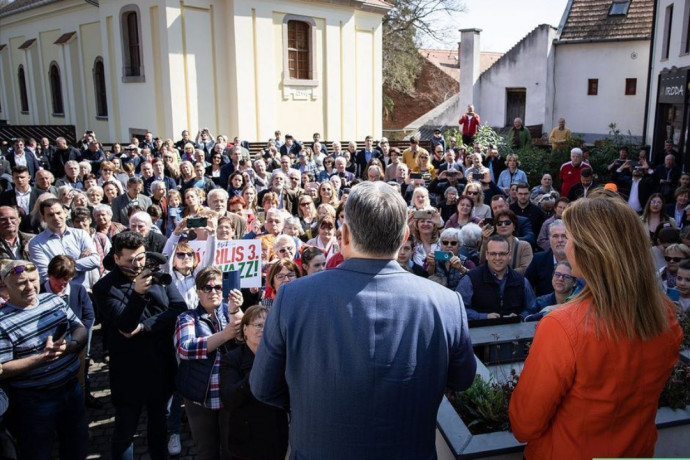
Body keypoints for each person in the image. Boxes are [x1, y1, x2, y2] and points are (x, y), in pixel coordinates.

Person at [250, 181, 476, 460]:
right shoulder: (445, 302)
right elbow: (462, 379)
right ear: (405, 235)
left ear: (344, 234)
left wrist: (312, 401)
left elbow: (263, 386)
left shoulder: (293, 297)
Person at [509, 190, 683, 460]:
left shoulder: (561, 327)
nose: (565, 247)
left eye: (570, 239)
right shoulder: (665, 315)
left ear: (590, 251)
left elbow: (524, 423)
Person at [93, 232, 187, 460]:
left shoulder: (157, 275)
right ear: (116, 259)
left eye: (141, 257)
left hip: (160, 364)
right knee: (125, 429)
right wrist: (137, 294)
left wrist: (146, 327)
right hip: (128, 371)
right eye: (130, 260)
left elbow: (178, 307)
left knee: (158, 425)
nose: (138, 264)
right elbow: (125, 325)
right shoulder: (104, 288)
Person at [0, 260, 89, 459]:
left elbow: (79, 327)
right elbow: (3, 369)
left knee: (77, 447)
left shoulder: (53, 300)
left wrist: (72, 345)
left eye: (32, 280)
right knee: (38, 452)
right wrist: (42, 358)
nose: (30, 287)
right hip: (34, 401)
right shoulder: (2, 322)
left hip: (71, 390)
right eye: (21, 283)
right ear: (6, 286)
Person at [174, 267, 244, 460]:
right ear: (198, 292)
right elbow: (185, 348)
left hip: (229, 393)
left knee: (232, 447)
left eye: (218, 287)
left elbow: (245, 339)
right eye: (207, 287)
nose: (214, 292)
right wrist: (224, 335)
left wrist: (236, 311)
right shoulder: (187, 317)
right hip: (200, 396)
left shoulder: (230, 310)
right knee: (207, 450)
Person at [220, 305, 289, 460]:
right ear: (245, 329)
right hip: (246, 439)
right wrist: (258, 369)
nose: (263, 330)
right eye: (258, 325)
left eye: (268, 325)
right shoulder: (232, 359)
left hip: (276, 436)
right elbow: (229, 398)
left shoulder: (280, 357)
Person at [457, 234, 536, 321]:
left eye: (502, 254)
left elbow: (532, 308)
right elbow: (459, 309)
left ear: (509, 255)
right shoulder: (470, 279)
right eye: (493, 254)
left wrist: (520, 317)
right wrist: (483, 317)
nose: (497, 258)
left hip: (514, 332)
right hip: (480, 331)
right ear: (487, 255)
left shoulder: (521, 281)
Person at [28, 198, 100, 285]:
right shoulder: (36, 243)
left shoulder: (81, 234)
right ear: (44, 218)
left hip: (84, 289)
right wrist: (76, 263)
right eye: (50, 215)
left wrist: (58, 268)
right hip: (58, 294)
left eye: (58, 213)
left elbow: (95, 260)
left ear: (65, 213)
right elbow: (45, 274)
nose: (56, 217)